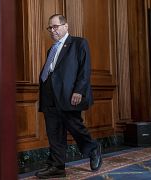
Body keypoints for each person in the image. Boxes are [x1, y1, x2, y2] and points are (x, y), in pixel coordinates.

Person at [35, 14, 102, 179]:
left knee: (74, 126)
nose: (52, 30)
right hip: (49, 94)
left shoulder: (79, 43)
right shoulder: (52, 48)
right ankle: (57, 166)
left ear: (66, 26)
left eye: (55, 26)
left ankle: (93, 148)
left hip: (69, 94)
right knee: (54, 131)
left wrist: (79, 90)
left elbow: (84, 70)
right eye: (50, 27)